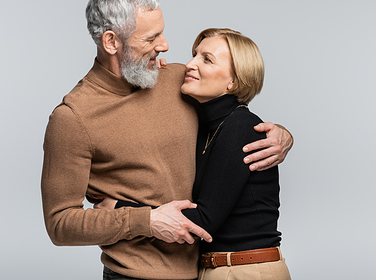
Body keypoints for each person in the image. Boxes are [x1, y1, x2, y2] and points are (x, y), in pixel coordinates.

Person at [41, 0, 293, 280]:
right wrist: (144, 221)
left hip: (203, 271)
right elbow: (60, 224)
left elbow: (232, 117)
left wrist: (281, 134)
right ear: (111, 42)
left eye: (161, 33)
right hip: (133, 276)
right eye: (150, 38)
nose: (165, 46)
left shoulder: (179, 81)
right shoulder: (73, 118)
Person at [105, 28, 291, 279]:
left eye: (207, 59)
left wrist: (119, 207)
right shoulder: (207, 126)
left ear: (233, 81)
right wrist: (151, 75)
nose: (189, 64)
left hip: (246, 271)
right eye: (194, 55)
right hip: (215, 268)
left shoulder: (241, 127)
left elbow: (202, 220)